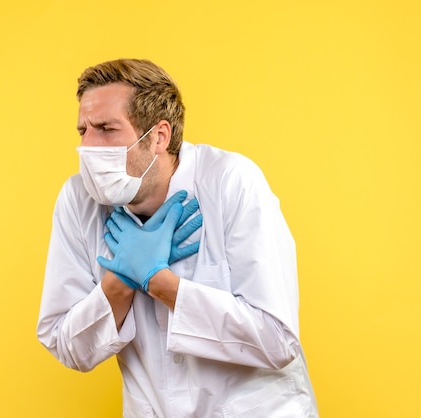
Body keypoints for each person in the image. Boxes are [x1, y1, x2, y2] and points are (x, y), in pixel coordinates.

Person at [37, 58, 318, 417]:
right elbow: (66, 344)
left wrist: (159, 282)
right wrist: (120, 282)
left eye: (106, 128)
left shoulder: (231, 182)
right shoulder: (79, 200)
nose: (89, 146)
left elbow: (277, 339)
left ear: (159, 136)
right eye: (83, 131)